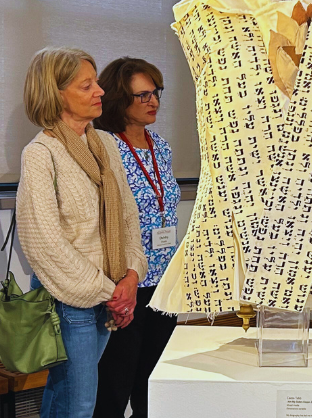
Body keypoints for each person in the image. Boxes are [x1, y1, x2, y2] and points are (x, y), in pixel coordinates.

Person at [17, 47, 147, 417]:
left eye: (96, 83)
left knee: (66, 397)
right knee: (79, 404)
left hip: (108, 294)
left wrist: (132, 277)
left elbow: (128, 219)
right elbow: (44, 243)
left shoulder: (105, 143)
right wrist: (114, 292)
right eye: (86, 85)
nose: (100, 91)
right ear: (55, 93)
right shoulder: (41, 153)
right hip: (71, 298)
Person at [92, 58, 181, 418]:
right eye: (141, 95)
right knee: (115, 384)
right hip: (126, 283)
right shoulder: (103, 146)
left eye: (155, 92)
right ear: (118, 98)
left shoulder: (161, 146)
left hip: (165, 284)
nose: (153, 101)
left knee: (154, 384)